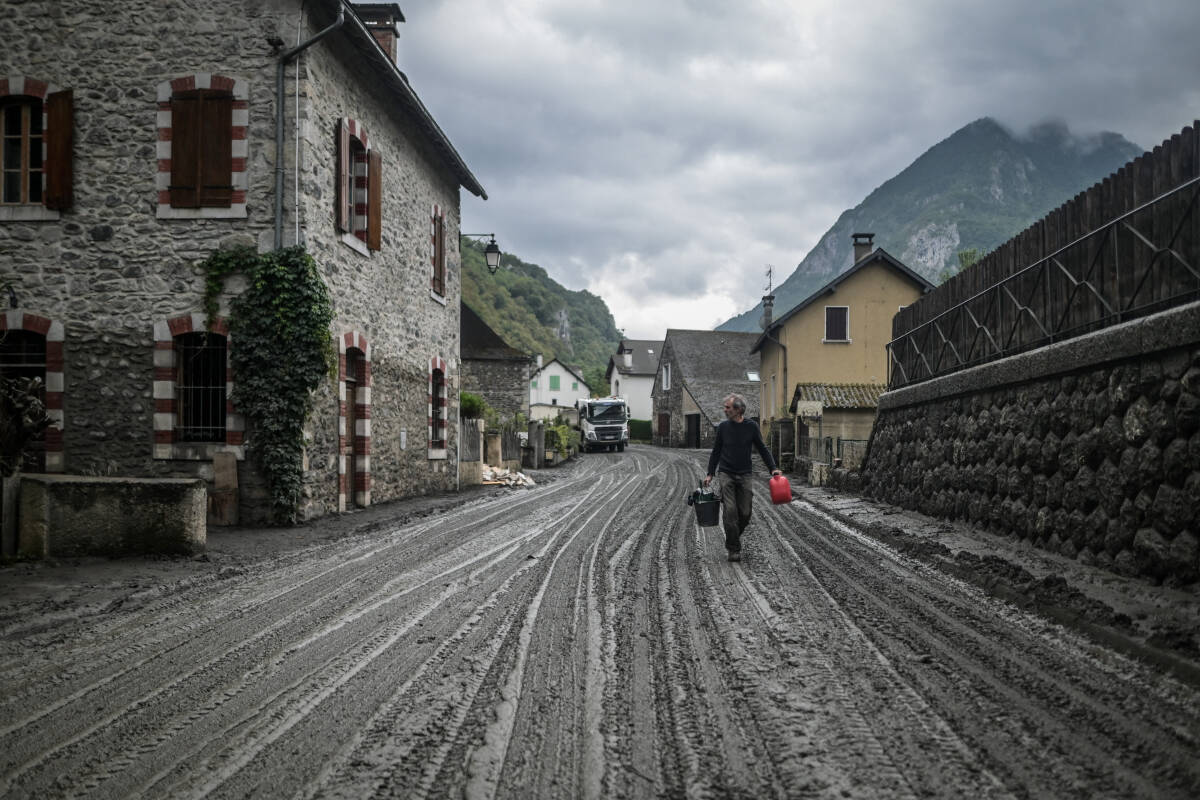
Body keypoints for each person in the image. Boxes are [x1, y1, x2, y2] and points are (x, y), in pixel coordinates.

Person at [705, 393, 782, 562]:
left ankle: (732, 537)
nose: (724, 410)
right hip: (726, 473)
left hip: (745, 474)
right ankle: (734, 549)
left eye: (728, 407)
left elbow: (762, 448)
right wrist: (710, 473)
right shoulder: (723, 427)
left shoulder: (751, 427)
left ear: (739, 410)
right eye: (725, 407)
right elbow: (716, 451)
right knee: (730, 511)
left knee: (745, 512)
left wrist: (773, 468)